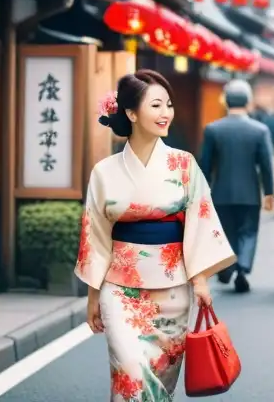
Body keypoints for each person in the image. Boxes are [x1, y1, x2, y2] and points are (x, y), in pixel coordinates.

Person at [77, 71, 236, 399]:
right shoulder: (104, 172)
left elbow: (200, 223)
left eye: (169, 105)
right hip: (120, 291)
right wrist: (93, 295)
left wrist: (201, 281)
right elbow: (95, 234)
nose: (166, 113)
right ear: (132, 114)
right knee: (131, 376)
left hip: (172, 290)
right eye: (156, 105)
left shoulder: (184, 164)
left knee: (160, 382)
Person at [199, 79, 274, 293]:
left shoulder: (212, 129)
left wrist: (202, 191)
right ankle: (242, 268)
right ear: (249, 101)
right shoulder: (260, 130)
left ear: (226, 101)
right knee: (248, 231)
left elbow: (205, 164)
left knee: (225, 231)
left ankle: (228, 265)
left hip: (221, 191)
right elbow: (267, 165)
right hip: (250, 192)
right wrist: (269, 191)